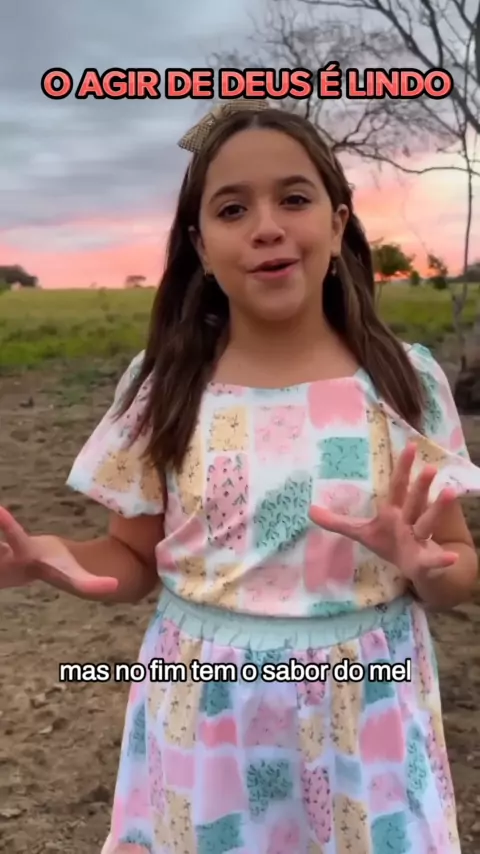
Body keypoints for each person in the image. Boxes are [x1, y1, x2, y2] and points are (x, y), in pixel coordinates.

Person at [1, 100, 479, 854]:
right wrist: (44, 560)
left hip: (369, 720)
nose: (266, 227)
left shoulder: (405, 384)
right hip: (207, 724)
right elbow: (130, 558)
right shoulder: (164, 387)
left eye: (294, 199)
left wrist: (431, 569)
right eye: (232, 209)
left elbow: (458, 566)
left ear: (338, 223)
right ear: (199, 244)